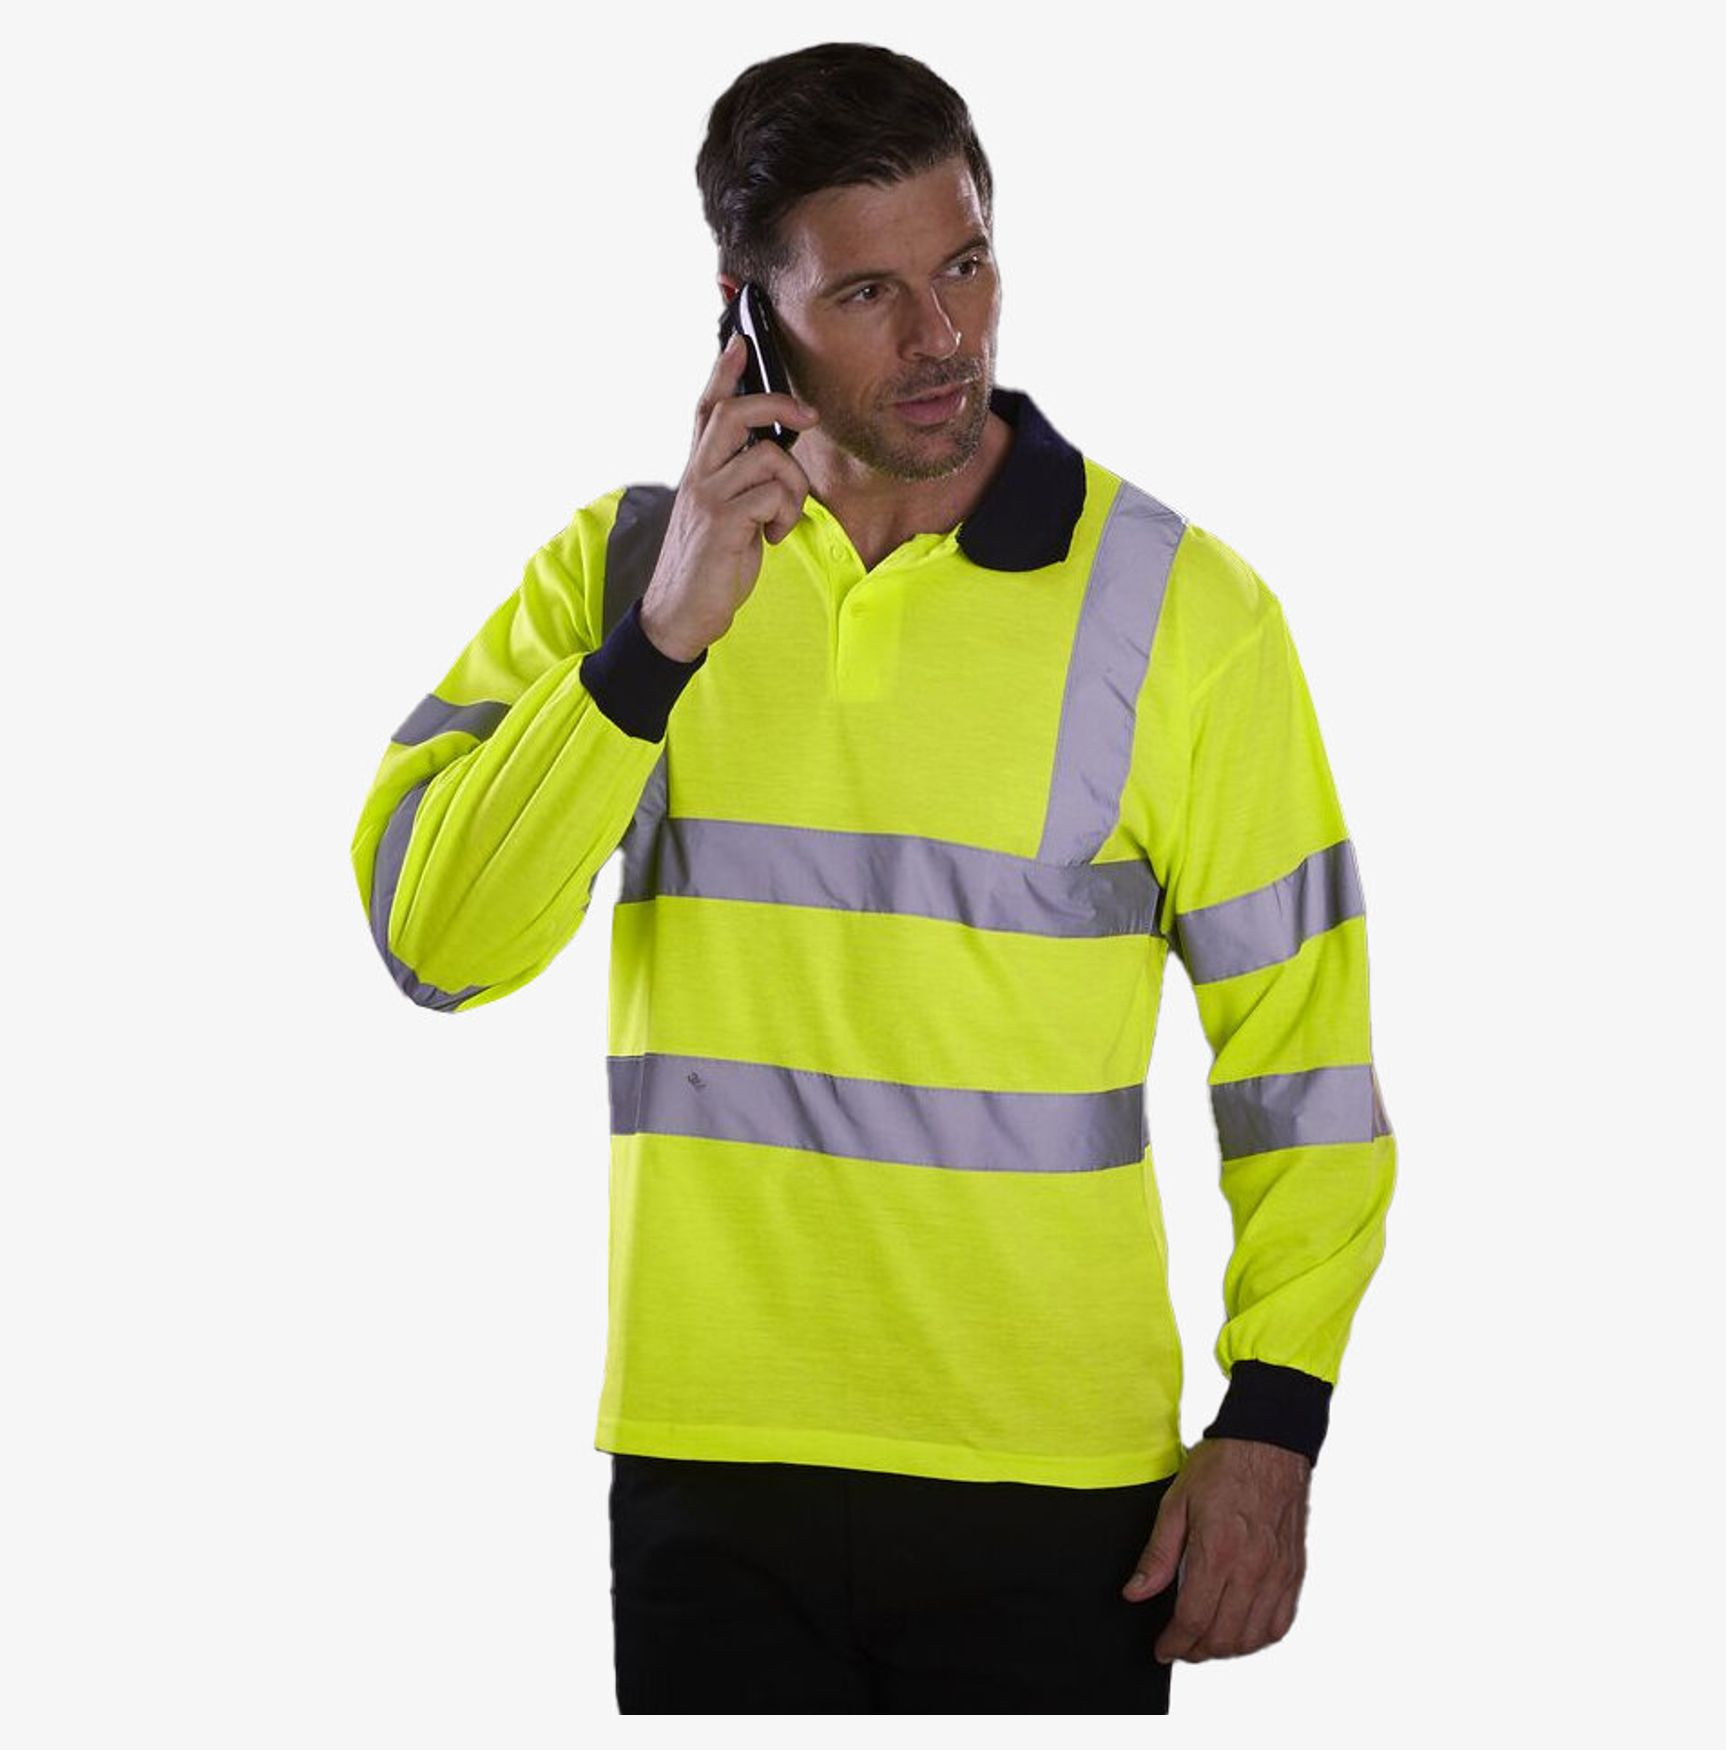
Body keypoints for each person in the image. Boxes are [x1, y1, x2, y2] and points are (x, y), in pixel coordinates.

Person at [349, 40, 1397, 1716]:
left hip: (1057, 1486)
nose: (943, 338)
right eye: (868, 294)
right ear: (745, 317)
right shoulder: (622, 576)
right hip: (712, 1468)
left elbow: (1304, 1067)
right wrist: (658, 645)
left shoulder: (1185, 612)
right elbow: (436, 943)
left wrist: (1274, 1418)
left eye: (964, 266)